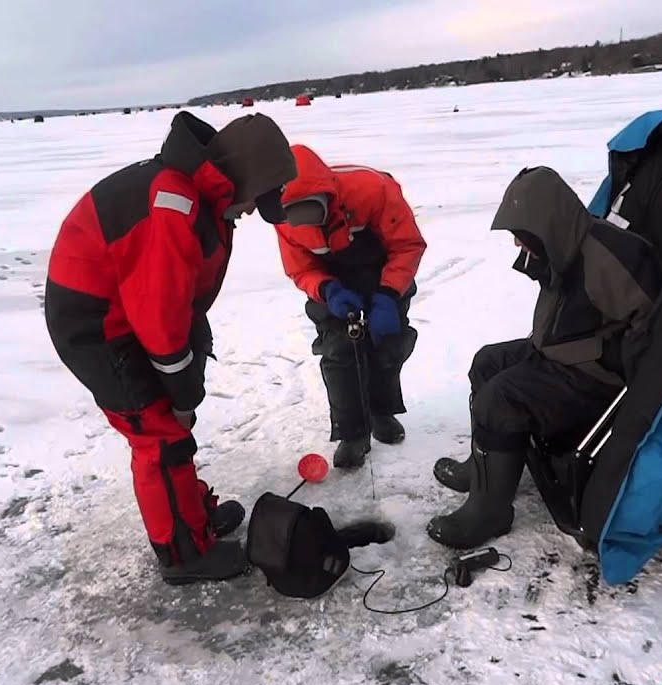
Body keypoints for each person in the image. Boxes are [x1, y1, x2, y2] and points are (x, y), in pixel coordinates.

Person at [44, 111, 297, 585]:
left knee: (170, 424)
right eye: (254, 200)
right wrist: (181, 391)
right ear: (243, 177)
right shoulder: (174, 205)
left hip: (128, 311)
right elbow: (158, 314)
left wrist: (188, 369)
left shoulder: (199, 194)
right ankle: (182, 553)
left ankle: (191, 519)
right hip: (98, 324)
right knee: (158, 433)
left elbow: (178, 298)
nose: (247, 212)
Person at [426, 166, 662, 549]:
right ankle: (485, 469)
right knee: (487, 363)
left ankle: (491, 512)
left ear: (546, 224)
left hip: (596, 374)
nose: (518, 246)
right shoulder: (563, 243)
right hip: (560, 351)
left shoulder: (611, 256)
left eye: (522, 237)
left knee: (500, 399)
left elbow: (652, 324)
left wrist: (628, 385)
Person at [273, 145, 426, 469]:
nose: (307, 223)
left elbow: (407, 245)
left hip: (383, 274)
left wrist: (388, 294)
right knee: (339, 352)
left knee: (386, 347)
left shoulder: (374, 190)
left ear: (327, 198)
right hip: (335, 286)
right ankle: (352, 433)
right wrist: (327, 289)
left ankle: (382, 411)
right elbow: (300, 267)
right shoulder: (283, 219)